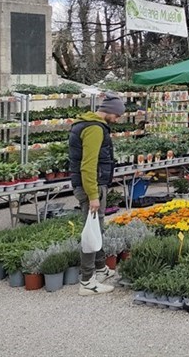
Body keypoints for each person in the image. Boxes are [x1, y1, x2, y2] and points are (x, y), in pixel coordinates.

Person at [69, 95, 125, 295]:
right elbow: (88, 164)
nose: (117, 119)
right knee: (90, 230)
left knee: (97, 227)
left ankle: (101, 268)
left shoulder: (87, 124)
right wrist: (93, 195)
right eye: (117, 115)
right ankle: (87, 281)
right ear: (109, 111)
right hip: (91, 186)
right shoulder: (94, 128)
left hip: (91, 184)